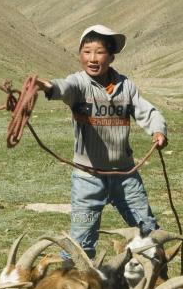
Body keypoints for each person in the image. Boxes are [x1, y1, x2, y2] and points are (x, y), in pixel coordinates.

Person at [35, 24, 168, 259]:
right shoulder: (78, 84)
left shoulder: (126, 86)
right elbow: (64, 88)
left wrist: (158, 131)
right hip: (87, 178)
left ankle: (156, 284)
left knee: (149, 233)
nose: (93, 58)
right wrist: (49, 86)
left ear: (111, 56)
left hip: (126, 177)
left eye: (99, 52)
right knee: (80, 244)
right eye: (86, 52)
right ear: (80, 55)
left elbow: (148, 112)